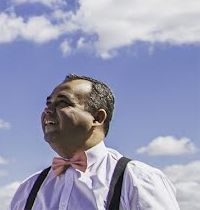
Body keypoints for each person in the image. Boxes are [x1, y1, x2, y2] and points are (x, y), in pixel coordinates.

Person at [9, 75, 179, 210]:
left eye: (63, 102)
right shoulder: (28, 189)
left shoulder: (137, 180)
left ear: (97, 118)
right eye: (48, 103)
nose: (48, 110)